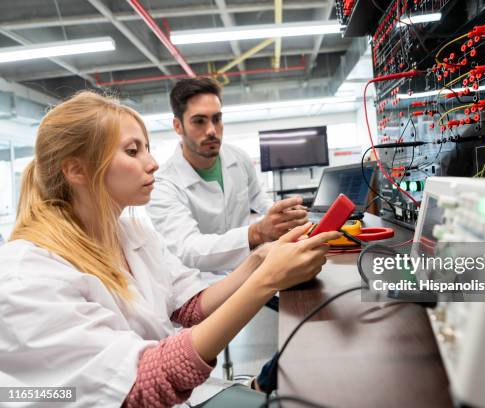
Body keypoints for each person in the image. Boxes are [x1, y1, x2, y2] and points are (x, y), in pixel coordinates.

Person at [0, 91, 341, 407]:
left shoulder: (130, 233)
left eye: (146, 148)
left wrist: (257, 262)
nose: (152, 164)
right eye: (133, 152)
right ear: (76, 169)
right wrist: (264, 279)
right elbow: (143, 386)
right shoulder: (27, 276)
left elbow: (189, 306)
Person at [146, 77, 309, 275]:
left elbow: (257, 196)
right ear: (178, 126)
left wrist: (281, 215)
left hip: (245, 269)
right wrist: (257, 232)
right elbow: (188, 248)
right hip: (199, 284)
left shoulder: (238, 157)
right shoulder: (163, 185)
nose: (211, 131)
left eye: (217, 119)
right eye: (199, 121)